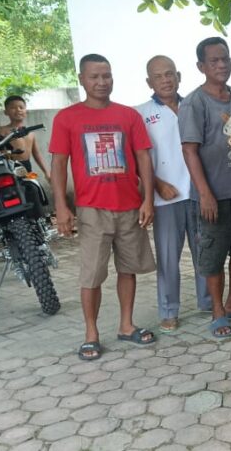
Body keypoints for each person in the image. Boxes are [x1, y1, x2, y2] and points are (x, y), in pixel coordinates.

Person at [49, 53, 157, 361]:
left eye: (106, 76)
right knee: (92, 275)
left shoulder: (128, 116)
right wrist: (61, 206)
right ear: (81, 79)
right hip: (91, 209)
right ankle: (91, 334)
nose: (101, 82)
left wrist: (148, 199)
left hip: (129, 206)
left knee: (128, 268)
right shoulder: (67, 118)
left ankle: (126, 325)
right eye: (94, 76)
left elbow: (143, 158)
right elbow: (59, 164)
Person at [180, 38, 231, 337]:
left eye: (225, 59)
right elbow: (189, 150)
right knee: (213, 254)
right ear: (201, 66)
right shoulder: (194, 102)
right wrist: (205, 193)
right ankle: (218, 311)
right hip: (213, 197)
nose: (221, 65)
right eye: (214, 60)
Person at [134, 55, 211, 334]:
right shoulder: (140, 114)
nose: (165, 80)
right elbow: (136, 157)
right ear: (149, 82)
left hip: (199, 193)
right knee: (168, 258)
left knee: (205, 251)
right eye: (158, 76)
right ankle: (169, 310)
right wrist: (156, 184)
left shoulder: (195, 105)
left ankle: (209, 301)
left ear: (178, 76)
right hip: (166, 197)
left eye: (169, 74)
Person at [0, 96, 50, 178]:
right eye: (13, 108)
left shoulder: (30, 132)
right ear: (6, 112)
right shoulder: (3, 130)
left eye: (21, 107)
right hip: (11, 167)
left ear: (26, 111)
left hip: (27, 166)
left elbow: (36, 154)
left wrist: (46, 172)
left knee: (32, 185)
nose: (18, 110)